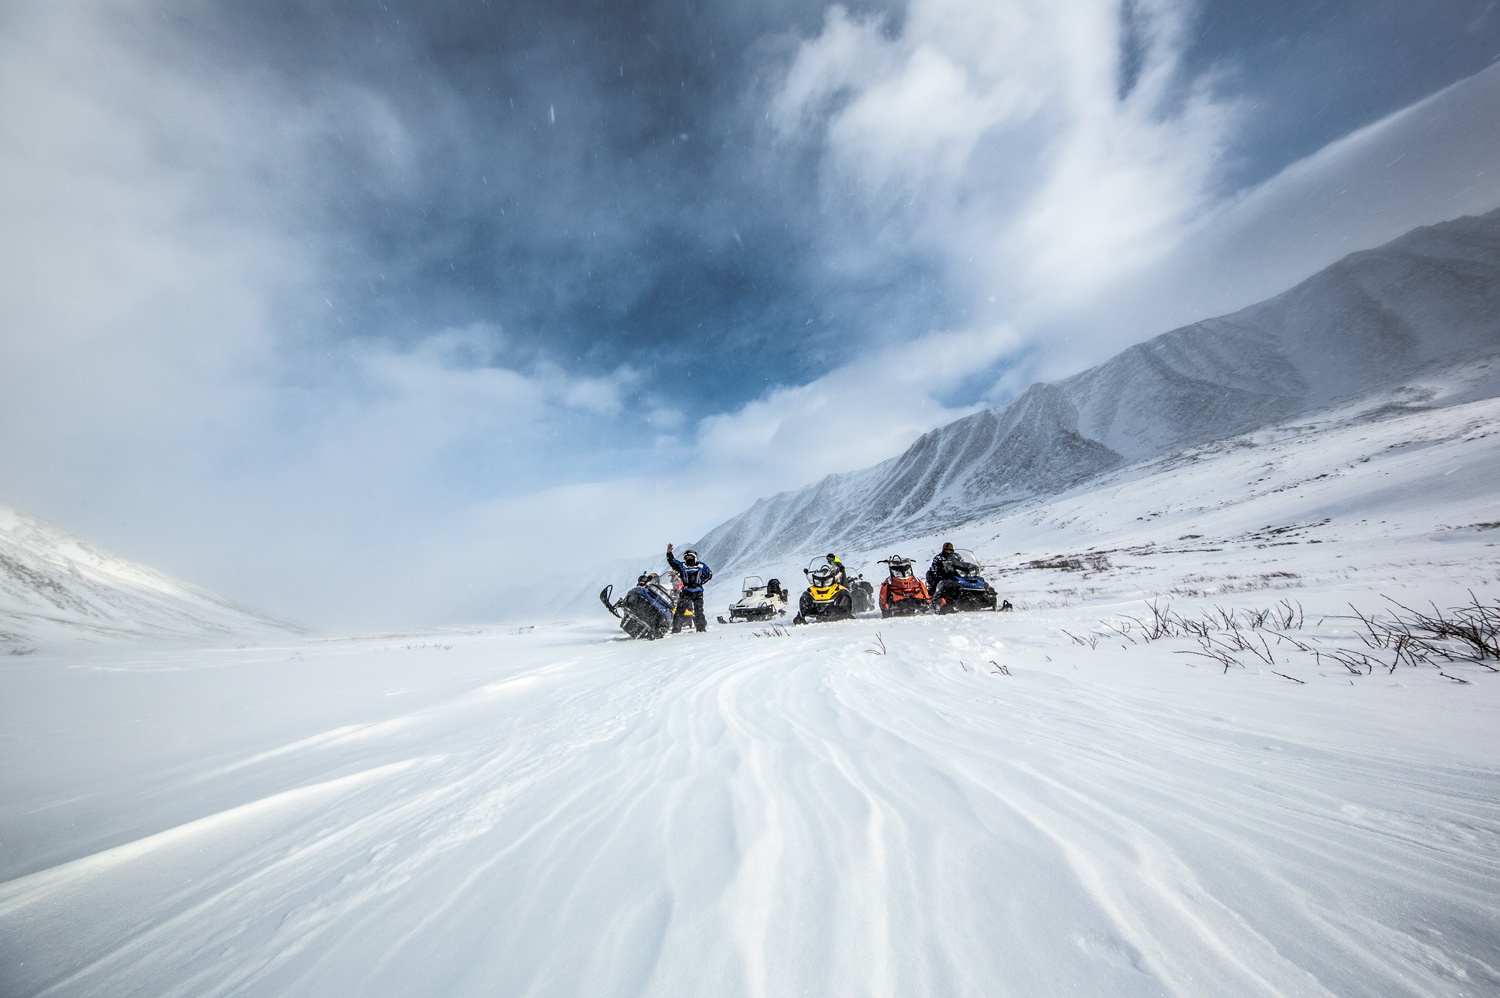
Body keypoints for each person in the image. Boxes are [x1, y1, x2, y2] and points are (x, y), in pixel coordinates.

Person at [666, 543, 712, 633]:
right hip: (686, 591)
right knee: (679, 611)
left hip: (698, 592)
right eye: (687, 557)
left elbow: (709, 575)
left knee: (699, 611)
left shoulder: (701, 566)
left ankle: (701, 629)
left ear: (695, 557)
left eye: (690, 557)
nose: (689, 558)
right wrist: (669, 553)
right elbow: (672, 562)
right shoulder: (682, 566)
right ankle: (676, 630)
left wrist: (700, 583)